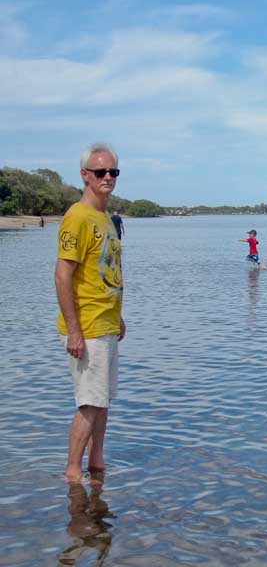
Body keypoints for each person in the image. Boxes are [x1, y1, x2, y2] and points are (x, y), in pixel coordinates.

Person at [55, 143, 125, 483]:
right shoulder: (78, 217)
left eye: (113, 172)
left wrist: (118, 316)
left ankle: (96, 463)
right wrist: (73, 330)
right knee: (89, 402)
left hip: (107, 323)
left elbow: (105, 271)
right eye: (101, 172)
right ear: (85, 175)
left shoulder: (107, 218)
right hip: (87, 326)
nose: (108, 177)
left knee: (103, 399)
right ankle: (72, 473)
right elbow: (63, 272)